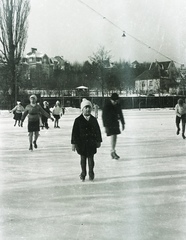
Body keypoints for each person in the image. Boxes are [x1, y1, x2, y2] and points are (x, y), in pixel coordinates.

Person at [71, 98, 102, 181]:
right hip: (81, 143)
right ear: (82, 109)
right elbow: (74, 133)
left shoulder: (93, 120)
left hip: (91, 143)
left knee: (91, 159)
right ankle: (83, 173)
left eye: (89, 108)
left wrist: (98, 141)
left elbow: (97, 131)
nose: (88, 109)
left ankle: (91, 172)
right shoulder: (78, 120)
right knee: (83, 159)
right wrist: (73, 144)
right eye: (86, 108)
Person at [102, 93, 125, 159]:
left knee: (115, 136)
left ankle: (113, 151)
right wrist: (105, 126)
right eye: (114, 101)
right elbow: (104, 116)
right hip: (109, 123)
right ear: (111, 100)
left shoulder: (118, 105)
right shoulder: (107, 105)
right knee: (113, 136)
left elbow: (120, 114)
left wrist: (123, 123)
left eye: (116, 101)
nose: (115, 102)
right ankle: (112, 151)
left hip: (115, 123)